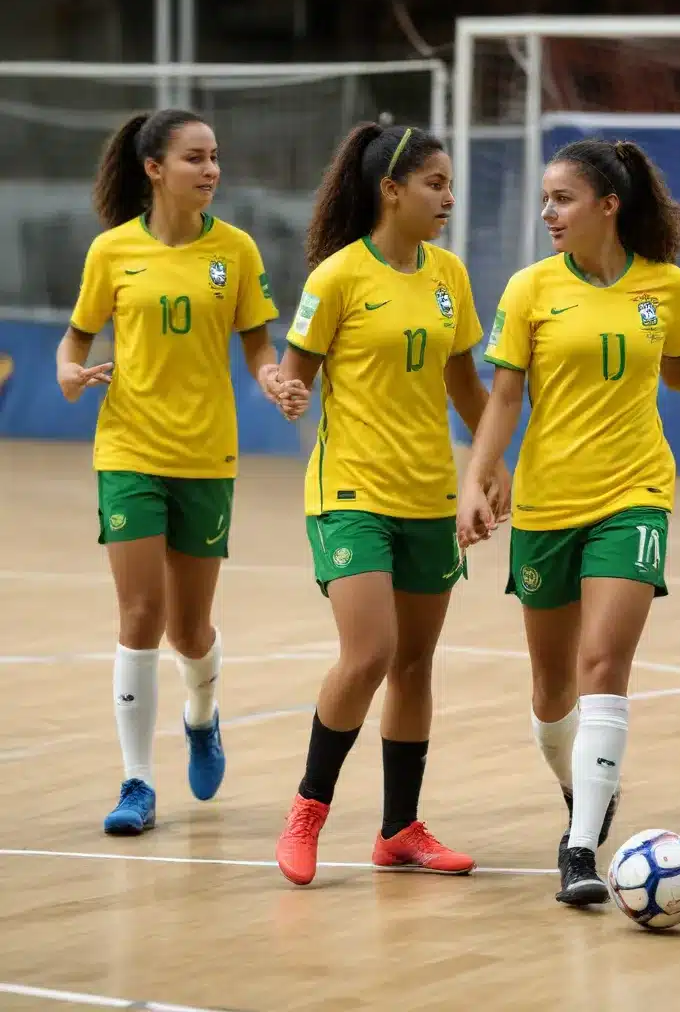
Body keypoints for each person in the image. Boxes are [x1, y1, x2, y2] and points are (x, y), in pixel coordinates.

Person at [456, 137, 680, 906]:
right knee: (549, 691)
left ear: (609, 205)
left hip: (634, 494)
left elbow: (678, 368)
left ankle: (578, 850)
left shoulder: (663, 285)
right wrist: (477, 478)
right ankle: (585, 790)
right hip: (547, 503)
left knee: (603, 665)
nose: (547, 213)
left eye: (562, 199)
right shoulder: (530, 288)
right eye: (545, 199)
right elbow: (504, 398)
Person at [272, 122, 510, 886]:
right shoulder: (336, 278)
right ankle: (308, 809)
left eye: (449, 184)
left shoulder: (449, 275)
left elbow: (468, 387)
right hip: (349, 493)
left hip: (429, 495)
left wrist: (492, 460)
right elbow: (293, 370)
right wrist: (285, 388)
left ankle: (399, 829)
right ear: (391, 190)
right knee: (369, 652)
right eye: (436, 183)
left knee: (414, 662)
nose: (447, 197)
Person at [57, 108, 307, 835]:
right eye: (195, 158)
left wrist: (271, 378)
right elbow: (74, 342)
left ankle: (203, 716)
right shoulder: (112, 252)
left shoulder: (236, 251)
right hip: (129, 449)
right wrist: (71, 373)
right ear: (154, 169)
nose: (211, 170)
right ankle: (137, 782)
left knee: (190, 630)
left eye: (215, 157)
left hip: (206, 456)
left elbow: (260, 346)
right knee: (142, 615)